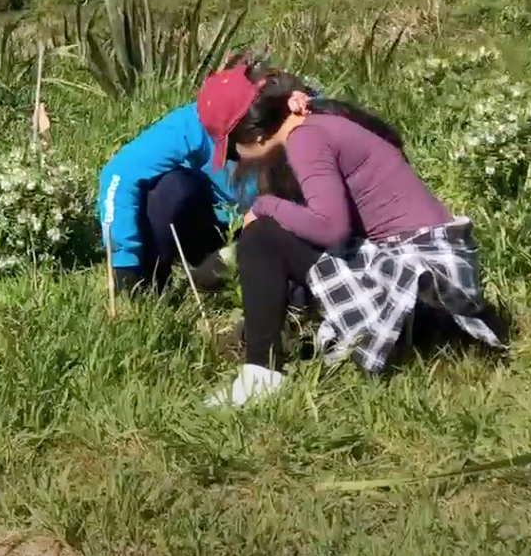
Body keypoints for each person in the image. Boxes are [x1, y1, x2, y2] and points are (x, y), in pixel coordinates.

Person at [195, 63, 505, 406]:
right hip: (435, 281)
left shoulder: (305, 140)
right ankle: (281, 345)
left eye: (233, 149)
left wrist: (265, 206)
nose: (236, 160)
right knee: (280, 231)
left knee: (262, 237)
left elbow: (331, 228)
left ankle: (262, 374)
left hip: (419, 290)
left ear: (254, 135)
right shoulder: (317, 122)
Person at [95, 50, 319, 295]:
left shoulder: (303, 128)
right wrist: (124, 262)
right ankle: (149, 285)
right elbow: (120, 173)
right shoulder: (196, 122)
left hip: (272, 231)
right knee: (169, 189)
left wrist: (231, 256)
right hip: (211, 221)